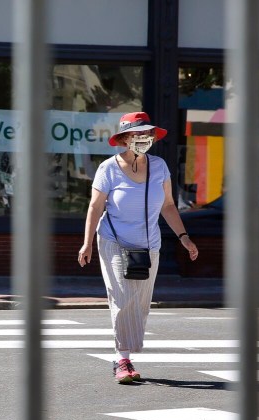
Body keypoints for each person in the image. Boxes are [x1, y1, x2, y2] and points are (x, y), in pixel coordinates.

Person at [78, 112, 199, 384]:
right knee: (122, 297)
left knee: (141, 302)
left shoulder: (159, 167)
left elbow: (168, 206)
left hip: (148, 244)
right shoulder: (108, 168)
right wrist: (86, 243)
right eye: (137, 134)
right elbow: (96, 207)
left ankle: (126, 352)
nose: (143, 139)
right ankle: (122, 359)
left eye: (147, 135)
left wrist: (183, 237)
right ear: (124, 139)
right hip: (114, 241)